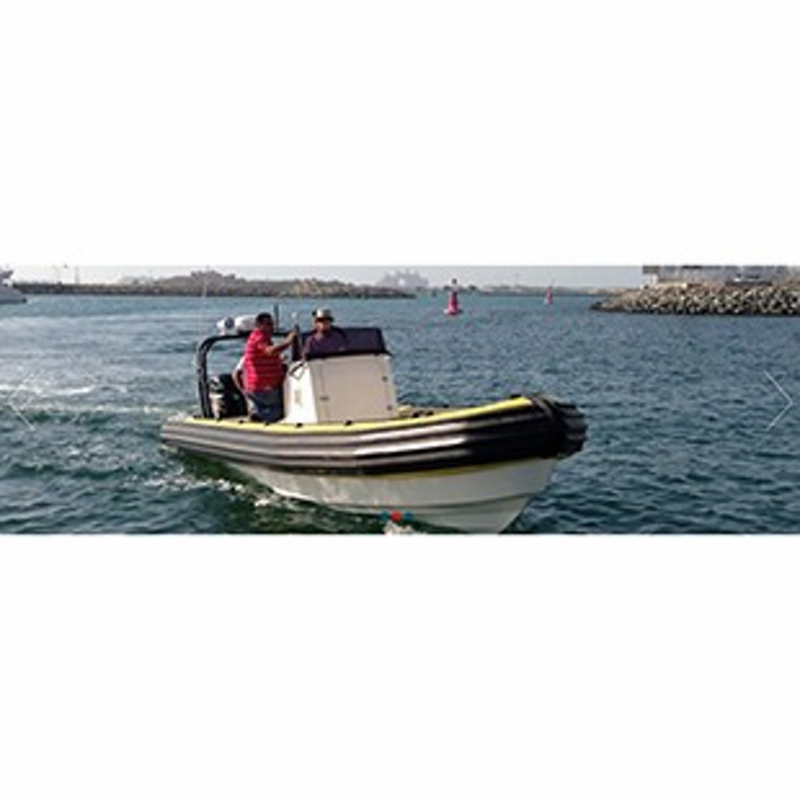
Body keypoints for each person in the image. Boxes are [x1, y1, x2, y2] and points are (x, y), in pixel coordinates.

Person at [243, 312, 297, 422]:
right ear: (259, 325)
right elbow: (270, 351)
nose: (272, 327)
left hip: (260, 386)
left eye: (272, 324)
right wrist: (288, 342)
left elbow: (266, 354)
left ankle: (259, 416)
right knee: (286, 409)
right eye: (268, 324)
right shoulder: (259, 337)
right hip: (265, 387)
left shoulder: (261, 339)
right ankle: (260, 417)